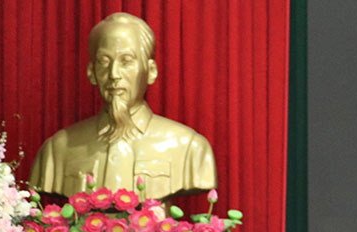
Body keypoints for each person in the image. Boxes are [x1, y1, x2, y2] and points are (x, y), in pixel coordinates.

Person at [29, 12, 217, 199]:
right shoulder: (58, 149)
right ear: (92, 72)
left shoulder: (189, 147)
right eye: (104, 62)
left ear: (151, 71)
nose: (114, 74)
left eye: (126, 61)